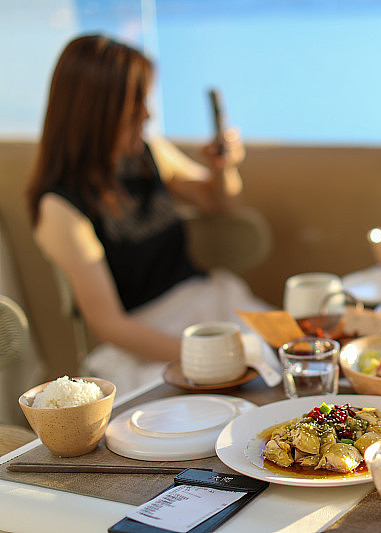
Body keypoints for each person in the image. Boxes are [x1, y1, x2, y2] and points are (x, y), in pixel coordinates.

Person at [26, 34, 273, 394]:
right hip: (148, 337)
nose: (148, 114)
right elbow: (109, 324)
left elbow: (216, 203)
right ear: (98, 112)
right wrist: (207, 356)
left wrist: (222, 168)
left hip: (207, 304)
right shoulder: (60, 207)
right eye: (135, 103)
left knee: (289, 358)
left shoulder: (147, 153)